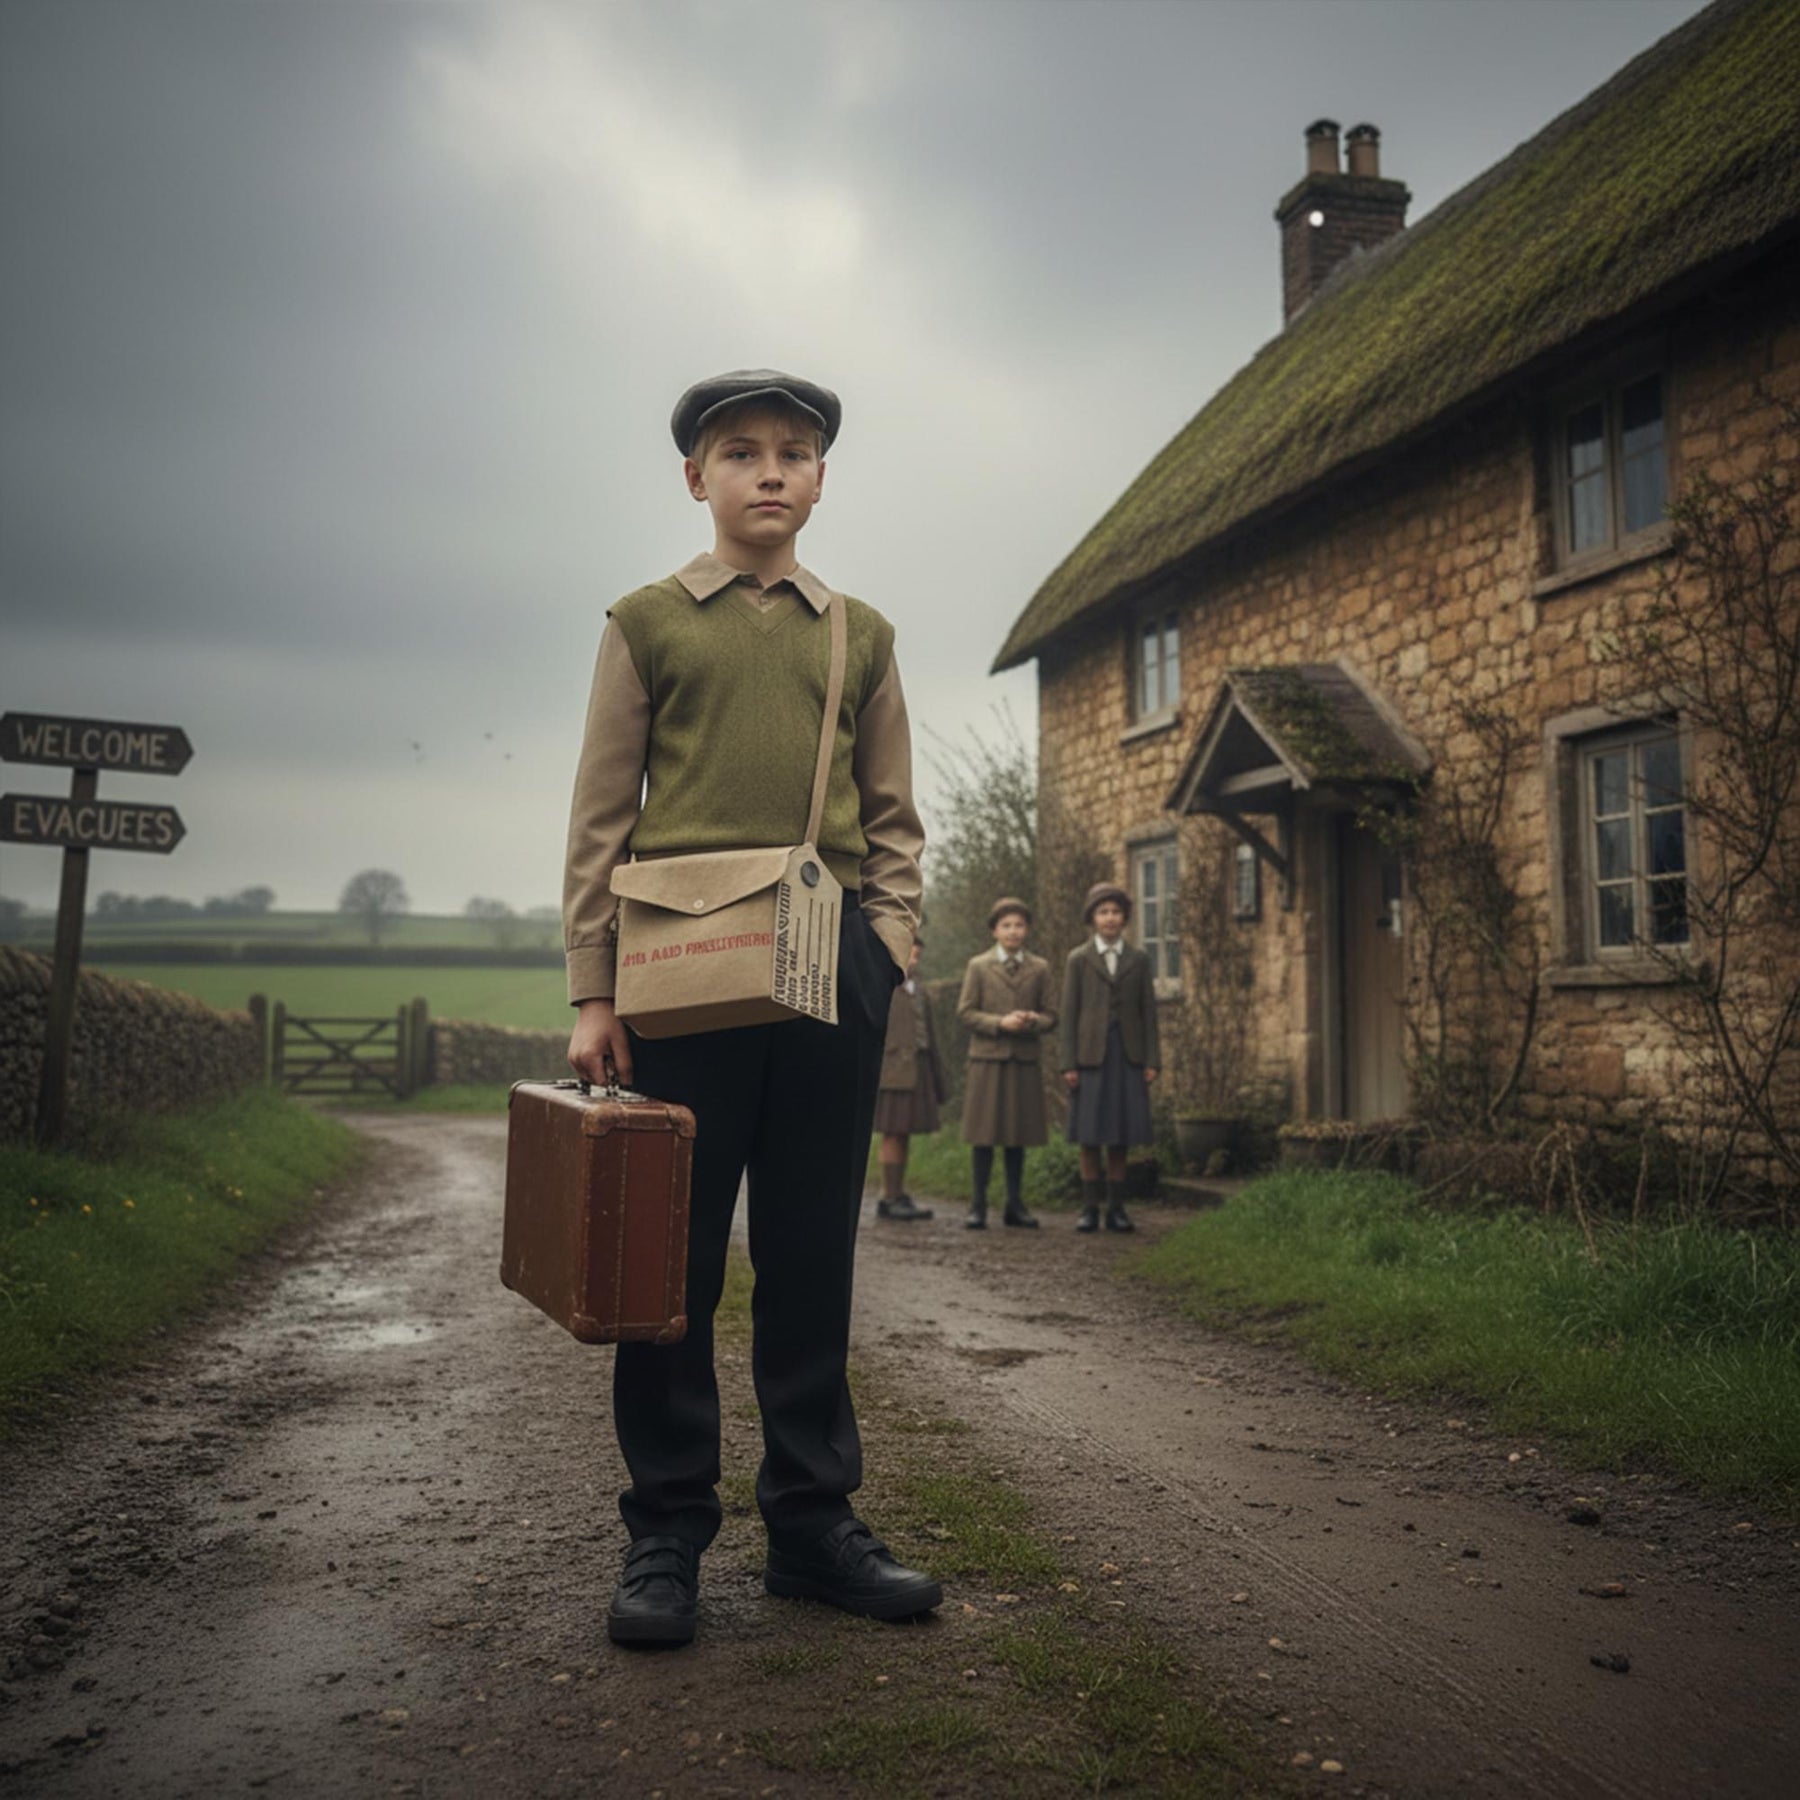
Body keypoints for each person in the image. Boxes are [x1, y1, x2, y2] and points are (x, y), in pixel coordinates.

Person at [563, 369, 941, 1648]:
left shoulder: (866, 635)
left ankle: (812, 1528)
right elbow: (601, 819)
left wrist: (885, 949)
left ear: (822, 478)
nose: (769, 472)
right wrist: (593, 991)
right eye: (741, 453)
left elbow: (894, 821)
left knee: (809, 1256)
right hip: (675, 981)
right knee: (666, 1267)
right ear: (697, 479)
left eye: (794, 452)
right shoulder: (648, 621)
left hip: (829, 973)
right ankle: (665, 1532)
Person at [1060, 881, 1160, 1233]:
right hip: (1090, 1057)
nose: (1110, 918)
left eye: (1116, 912)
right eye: (1103, 912)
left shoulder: (1139, 959)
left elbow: (1149, 1013)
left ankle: (1117, 1208)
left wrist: (1152, 1060)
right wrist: (1068, 1063)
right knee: (1090, 1135)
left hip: (1128, 1055)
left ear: (1125, 918)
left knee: (1120, 1135)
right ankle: (1089, 1208)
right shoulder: (1078, 959)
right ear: (1093, 918)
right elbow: (1069, 1014)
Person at [957, 897, 1058, 1230]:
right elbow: (966, 1012)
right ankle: (978, 1205)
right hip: (987, 1059)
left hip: (1024, 1060)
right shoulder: (978, 966)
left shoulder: (1040, 968)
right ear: (994, 931)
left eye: (1019, 925)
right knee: (983, 1135)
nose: (1013, 932)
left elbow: (1052, 1016)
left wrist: (1032, 1020)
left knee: (1017, 1135)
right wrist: (1000, 1023)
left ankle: (1015, 1204)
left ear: (1027, 930)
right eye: (1006, 926)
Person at [874, 938, 946, 1222]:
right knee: (892, 1132)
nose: (913, 961)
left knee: (904, 1132)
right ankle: (888, 1197)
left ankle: (895, 1192)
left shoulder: (919, 989)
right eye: (908, 955)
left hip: (918, 1065)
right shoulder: (884, 984)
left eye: (917, 956)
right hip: (892, 1069)